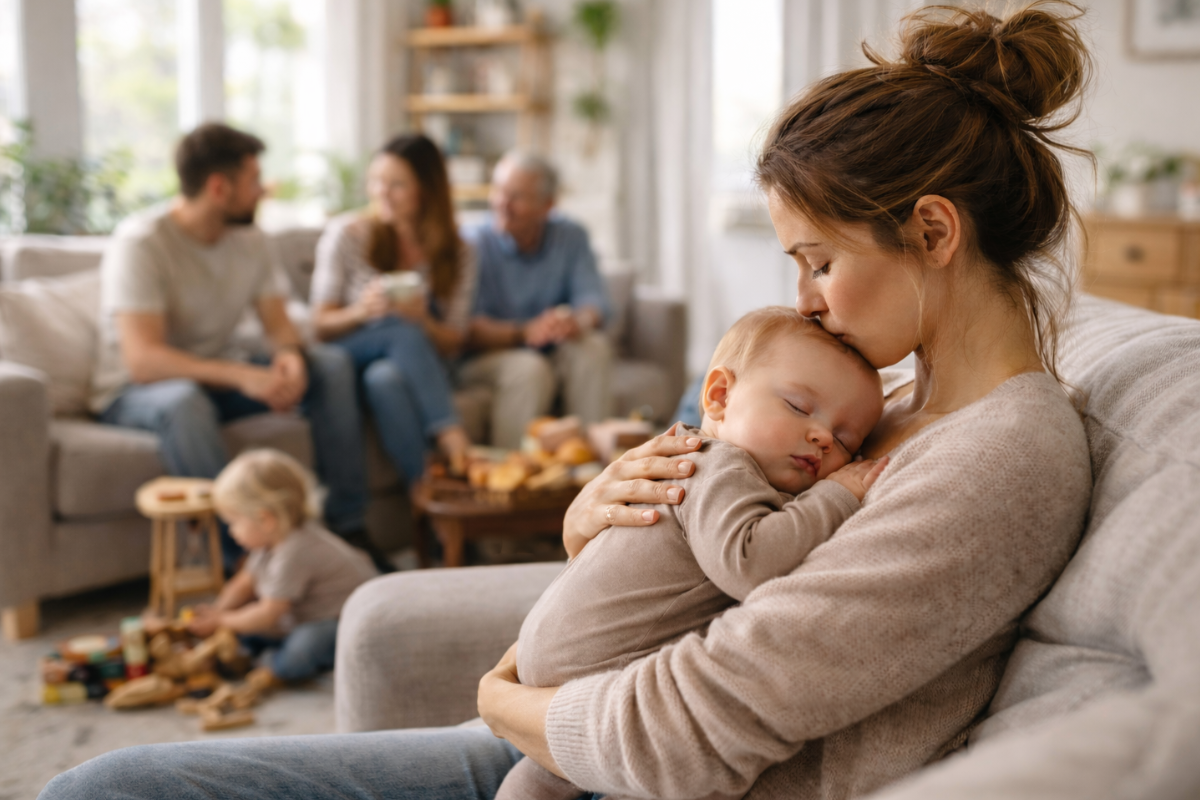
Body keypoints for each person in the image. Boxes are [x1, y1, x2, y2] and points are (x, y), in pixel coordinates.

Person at [38, 4, 1095, 799]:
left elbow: (693, 724)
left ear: (934, 233)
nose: (804, 297)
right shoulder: (896, 399)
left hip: (594, 760)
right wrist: (593, 517)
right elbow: (698, 538)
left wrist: (504, 696)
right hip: (568, 735)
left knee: (104, 791)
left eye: (819, 261)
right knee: (100, 785)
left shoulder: (1000, 456)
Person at [496, 306, 888, 800]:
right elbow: (750, 564)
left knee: (540, 783)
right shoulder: (721, 466)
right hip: (591, 683)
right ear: (720, 396)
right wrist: (836, 496)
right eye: (798, 406)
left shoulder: (693, 459)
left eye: (848, 439)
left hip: (556, 674)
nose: (823, 436)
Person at [89, 122, 378, 572]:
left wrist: (288, 358)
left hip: (217, 378)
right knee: (185, 402)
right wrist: (246, 376)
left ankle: (347, 526)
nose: (263, 191)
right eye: (254, 182)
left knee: (331, 365)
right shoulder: (142, 243)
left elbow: (278, 324)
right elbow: (143, 360)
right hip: (134, 392)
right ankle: (246, 562)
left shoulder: (251, 239)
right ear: (219, 187)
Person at [311, 134, 476, 480]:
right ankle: (457, 445)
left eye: (396, 184)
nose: (381, 192)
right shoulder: (347, 234)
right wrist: (362, 311)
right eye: (376, 181)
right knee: (401, 331)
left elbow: (454, 341)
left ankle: (426, 498)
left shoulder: (458, 251)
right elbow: (319, 325)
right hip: (351, 350)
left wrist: (424, 320)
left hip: (415, 362)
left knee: (384, 380)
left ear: (426, 189)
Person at [459, 151, 613, 449]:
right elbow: (465, 327)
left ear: (548, 205)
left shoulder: (570, 236)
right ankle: (513, 479)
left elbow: (596, 302)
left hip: (549, 345)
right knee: (529, 369)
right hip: (486, 354)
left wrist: (575, 321)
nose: (502, 204)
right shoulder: (472, 242)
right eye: (499, 191)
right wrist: (525, 331)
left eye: (516, 196)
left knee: (593, 347)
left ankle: (594, 469)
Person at [186, 449, 379, 683]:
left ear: (266, 519)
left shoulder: (295, 551)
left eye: (234, 522)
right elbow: (244, 584)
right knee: (254, 625)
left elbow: (268, 614)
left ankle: (278, 668)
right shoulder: (269, 541)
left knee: (302, 648)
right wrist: (219, 611)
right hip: (305, 614)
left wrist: (222, 621)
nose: (231, 532)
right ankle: (253, 650)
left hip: (345, 621)